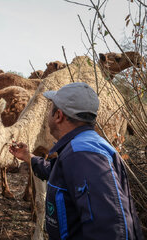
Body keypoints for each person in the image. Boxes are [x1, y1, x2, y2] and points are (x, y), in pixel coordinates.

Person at [9, 82, 143, 239]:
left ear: (58, 116)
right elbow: (60, 175)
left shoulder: (85, 156)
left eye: (49, 110)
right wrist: (27, 156)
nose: (47, 115)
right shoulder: (79, 148)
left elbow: (112, 228)